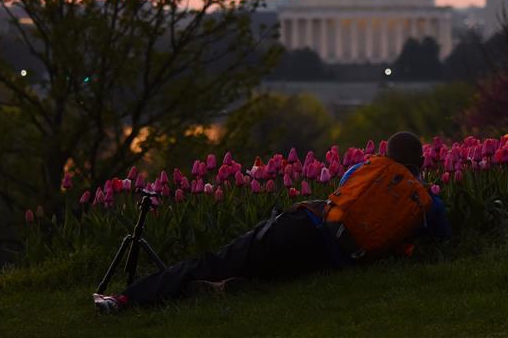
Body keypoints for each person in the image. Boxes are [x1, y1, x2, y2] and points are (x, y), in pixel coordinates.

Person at [93, 131, 450, 313]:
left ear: (386, 155)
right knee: (272, 273)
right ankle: (237, 285)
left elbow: (341, 202)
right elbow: (440, 237)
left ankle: (124, 300)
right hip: (333, 260)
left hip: (302, 228)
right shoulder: (427, 203)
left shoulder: (364, 169)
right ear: (421, 162)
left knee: (215, 260)